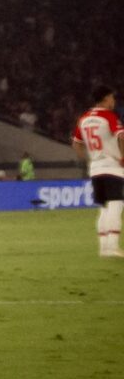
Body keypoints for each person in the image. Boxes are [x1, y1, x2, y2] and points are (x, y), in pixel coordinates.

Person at [71, 87, 122, 259]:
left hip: (95, 168)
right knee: (116, 205)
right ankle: (113, 246)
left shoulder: (84, 119)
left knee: (104, 208)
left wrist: (88, 160)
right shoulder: (109, 116)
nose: (113, 102)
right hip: (112, 168)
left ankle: (103, 249)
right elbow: (121, 136)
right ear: (106, 99)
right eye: (112, 98)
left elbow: (76, 143)